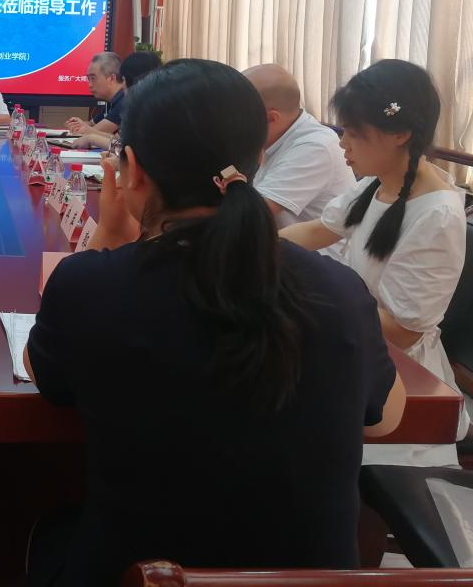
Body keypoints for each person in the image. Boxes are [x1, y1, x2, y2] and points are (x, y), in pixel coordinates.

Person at [24, 58, 403, 584]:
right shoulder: (338, 289)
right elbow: (384, 418)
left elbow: (44, 375)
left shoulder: (90, 286)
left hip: (139, 576)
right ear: (259, 157)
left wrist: (107, 236)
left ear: (131, 169)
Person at [281, 59, 469, 466]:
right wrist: (252, 245)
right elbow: (319, 230)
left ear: (400, 134)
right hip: (356, 338)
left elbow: (402, 332)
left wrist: (317, 293)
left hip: (396, 374)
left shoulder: (437, 215)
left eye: (354, 134)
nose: (342, 145)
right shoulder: (377, 182)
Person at [244, 64, 355, 227]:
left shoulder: (315, 147)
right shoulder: (276, 133)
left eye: (236, 114)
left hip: (306, 244)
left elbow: (248, 215)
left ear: (271, 118)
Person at [70, 51, 162, 149]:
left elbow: (125, 147)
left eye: (123, 80)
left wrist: (90, 136)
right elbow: (120, 140)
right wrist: (88, 134)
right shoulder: (151, 107)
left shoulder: (127, 104)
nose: (122, 86)